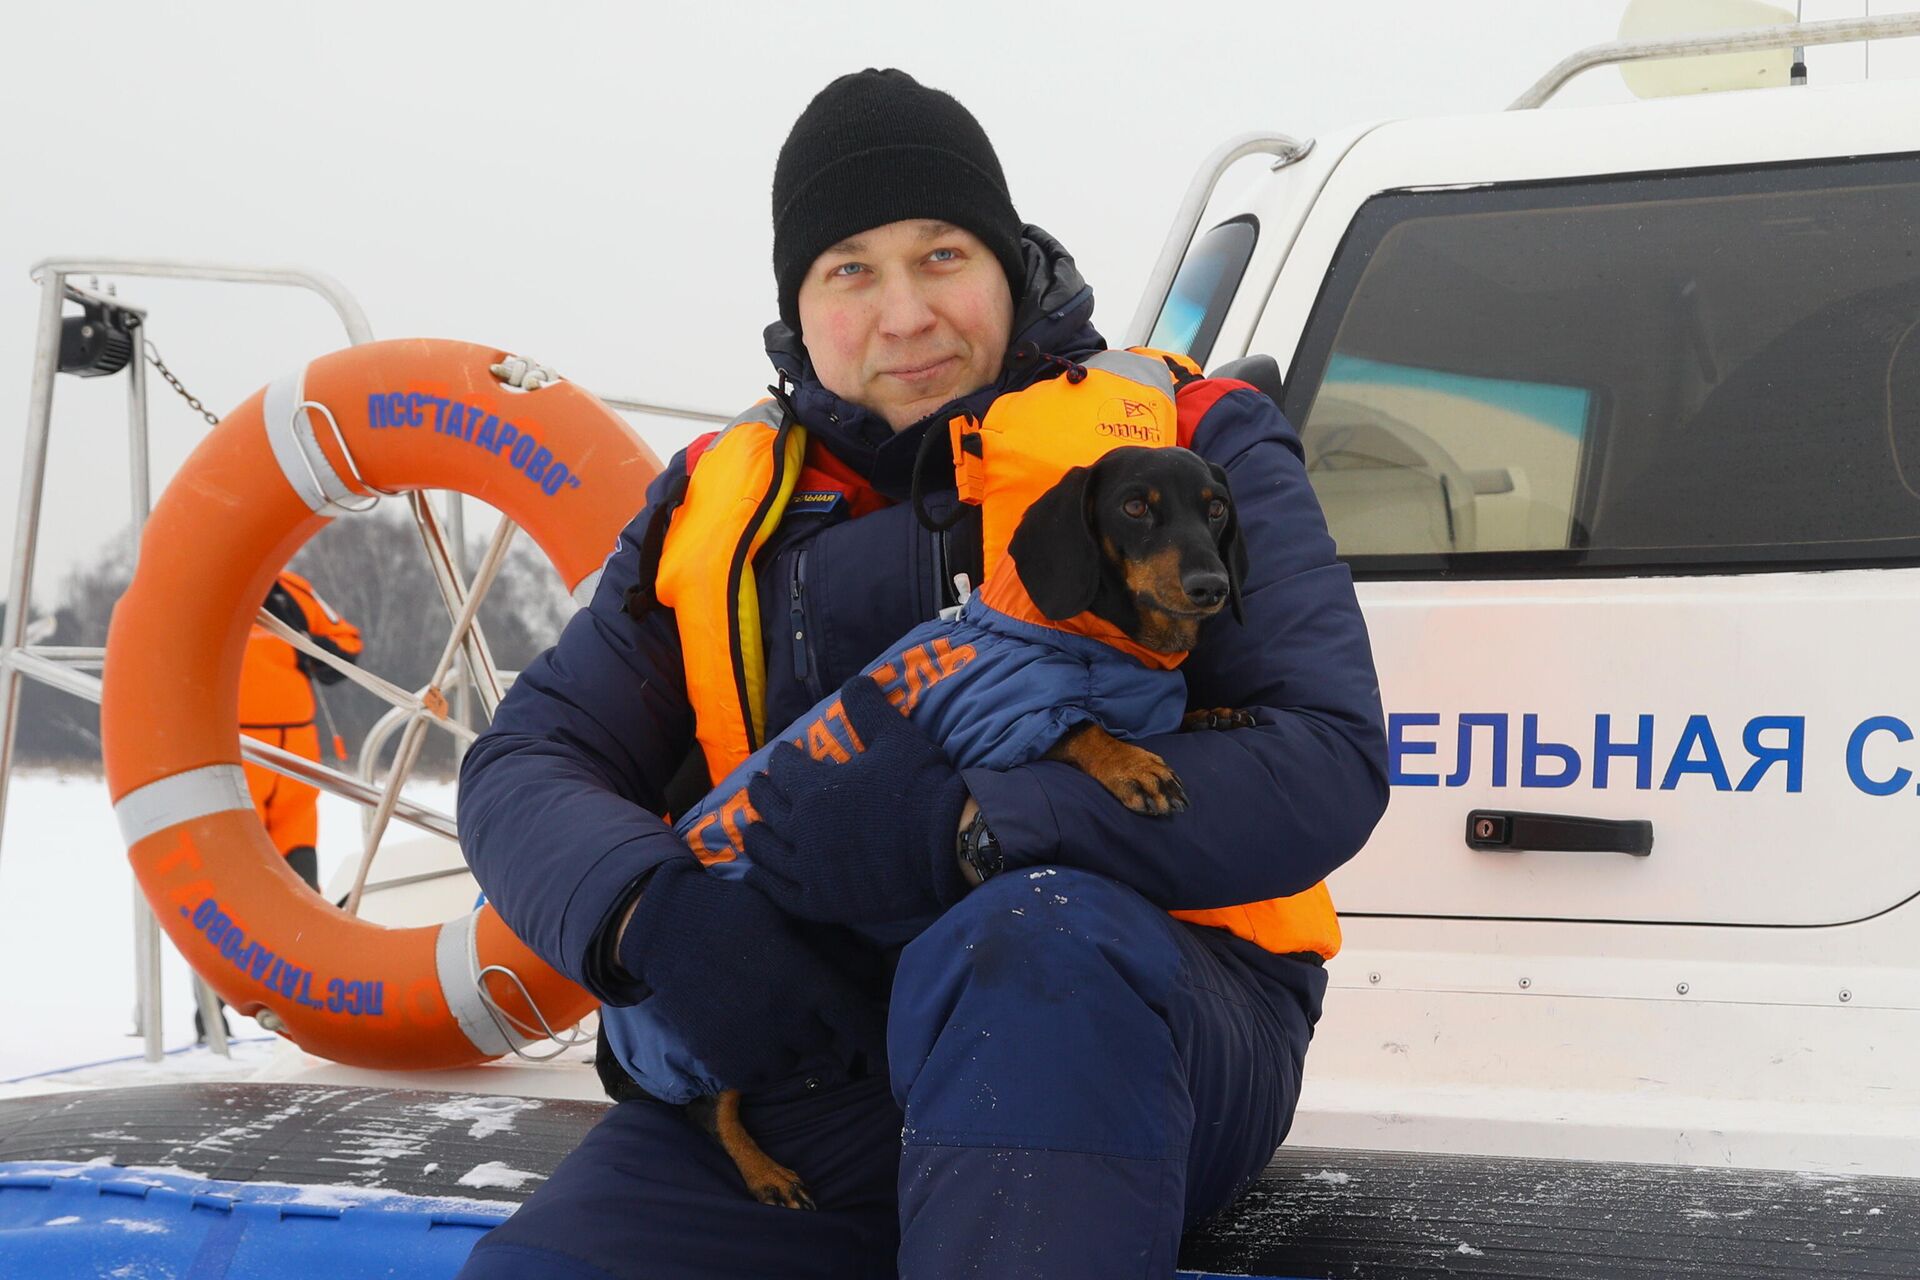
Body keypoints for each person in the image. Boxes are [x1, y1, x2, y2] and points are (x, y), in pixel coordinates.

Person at [454, 69, 1387, 1280]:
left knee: (1030, 936)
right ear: (801, 304)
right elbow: (524, 761)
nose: (904, 314)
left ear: (1009, 262)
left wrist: (971, 830)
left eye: (941, 255)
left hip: (1150, 1013)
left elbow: (1324, 752)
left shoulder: (1189, 438)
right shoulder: (713, 499)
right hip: (818, 1050)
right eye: (851, 268)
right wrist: (657, 915)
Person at [237, 569, 362, 892]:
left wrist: (312, 647)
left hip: (296, 750)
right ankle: (238, 933)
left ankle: (304, 928)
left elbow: (348, 643)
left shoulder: (291, 589)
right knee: (239, 852)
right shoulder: (201, 593)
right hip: (234, 747)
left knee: (299, 848)